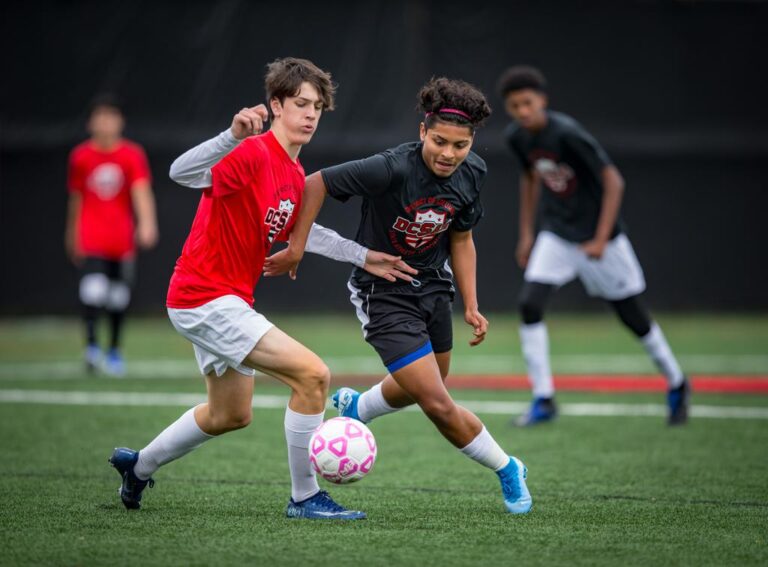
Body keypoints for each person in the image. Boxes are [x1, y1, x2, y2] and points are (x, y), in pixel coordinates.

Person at [107, 57, 415, 519]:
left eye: (318, 107)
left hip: (221, 299)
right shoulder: (252, 152)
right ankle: (306, 497)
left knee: (229, 414)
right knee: (313, 375)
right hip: (204, 296)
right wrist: (231, 136)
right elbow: (180, 173)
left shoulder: (293, 174)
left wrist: (363, 255)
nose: (311, 114)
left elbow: (303, 236)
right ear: (275, 105)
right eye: (301, 103)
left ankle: (139, 467)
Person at [265, 77, 533, 514]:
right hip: (384, 293)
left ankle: (358, 405)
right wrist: (296, 248)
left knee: (429, 384)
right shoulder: (391, 168)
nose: (449, 154)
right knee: (437, 402)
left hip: (434, 287)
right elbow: (315, 184)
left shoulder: (473, 172)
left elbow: (462, 239)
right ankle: (508, 467)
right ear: (423, 131)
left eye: (460, 145)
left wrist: (471, 303)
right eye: (440, 142)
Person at [496, 65, 690, 426]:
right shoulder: (517, 138)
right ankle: (544, 398)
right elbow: (530, 179)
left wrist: (601, 238)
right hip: (557, 233)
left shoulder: (567, 134)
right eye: (514, 105)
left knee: (632, 316)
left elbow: (614, 181)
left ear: (543, 101)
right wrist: (527, 233)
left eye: (528, 103)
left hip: (599, 238)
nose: (522, 111)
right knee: (529, 304)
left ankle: (677, 382)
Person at [66, 95, 158, 377]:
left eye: (111, 116)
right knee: (92, 289)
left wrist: (147, 223)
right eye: (100, 117)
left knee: (117, 297)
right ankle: (92, 349)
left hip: (120, 238)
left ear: (120, 121)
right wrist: (72, 233)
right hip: (92, 236)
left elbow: (141, 191)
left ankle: (114, 351)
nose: (105, 123)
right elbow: (76, 198)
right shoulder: (81, 156)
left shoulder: (132, 154)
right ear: (91, 122)